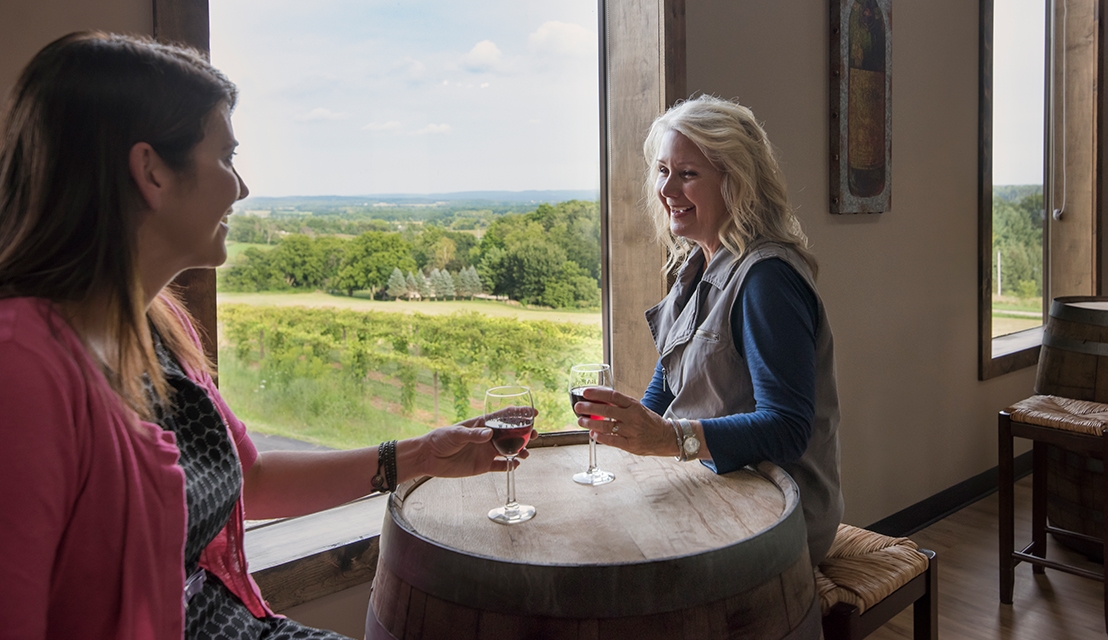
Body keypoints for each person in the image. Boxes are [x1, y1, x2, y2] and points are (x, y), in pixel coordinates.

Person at [0, 32, 524, 640]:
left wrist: (421, 455)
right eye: (225, 158)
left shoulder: (152, 326)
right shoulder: (22, 369)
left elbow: (251, 479)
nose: (241, 188)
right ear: (151, 172)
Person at [575, 95, 844, 567]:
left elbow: (788, 428)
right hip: (719, 486)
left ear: (735, 182)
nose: (667, 189)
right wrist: (630, 426)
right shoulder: (697, 264)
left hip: (780, 513)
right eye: (662, 170)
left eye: (688, 174)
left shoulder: (767, 279)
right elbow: (669, 380)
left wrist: (666, 439)